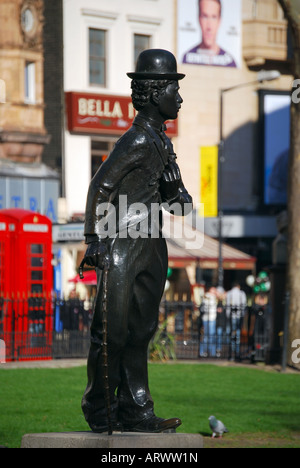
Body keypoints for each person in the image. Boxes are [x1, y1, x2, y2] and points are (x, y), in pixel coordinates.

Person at [80, 49, 193, 433]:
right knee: (111, 330)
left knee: (142, 330)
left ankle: (136, 408)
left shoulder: (160, 142)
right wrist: (94, 238)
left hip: (150, 241)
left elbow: (169, 196)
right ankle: (100, 407)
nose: (178, 99)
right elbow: (101, 186)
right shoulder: (136, 140)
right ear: (153, 92)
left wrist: (176, 193)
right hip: (123, 241)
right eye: (173, 90)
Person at [182, 0, 237, 68]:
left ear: (219, 21)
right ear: (199, 18)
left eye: (214, 17)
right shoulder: (187, 58)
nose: (209, 27)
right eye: (205, 16)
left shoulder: (230, 62)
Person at [226, 282, 247, 360]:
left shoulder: (229, 293)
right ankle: (237, 352)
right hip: (238, 316)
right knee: (237, 333)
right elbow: (244, 305)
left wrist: (228, 315)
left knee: (232, 333)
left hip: (232, 316)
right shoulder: (241, 293)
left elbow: (227, 306)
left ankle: (231, 352)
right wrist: (242, 314)